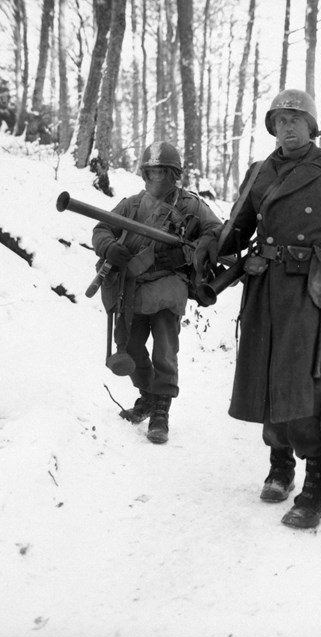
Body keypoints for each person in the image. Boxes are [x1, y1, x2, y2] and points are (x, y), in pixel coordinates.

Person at [217, 88, 321, 529]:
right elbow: (237, 229)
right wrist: (211, 249)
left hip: (312, 292)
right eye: (280, 120)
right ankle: (280, 465)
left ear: (312, 127)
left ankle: (316, 484)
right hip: (264, 287)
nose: (287, 127)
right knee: (266, 376)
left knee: (304, 383)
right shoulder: (260, 171)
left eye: (295, 120)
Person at [92, 141, 222, 444]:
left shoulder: (192, 206)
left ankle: (161, 409)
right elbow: (102, 229)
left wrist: (192, 251)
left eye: (163, 173)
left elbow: (215, 232)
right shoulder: (131, 204)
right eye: (151, 172)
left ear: (175, 175)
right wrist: (110, 247)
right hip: (132, 287)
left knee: (165, 349)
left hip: (168, 286)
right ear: (143, 174)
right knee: (132, 348)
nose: (157, 179)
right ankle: (148, 395)